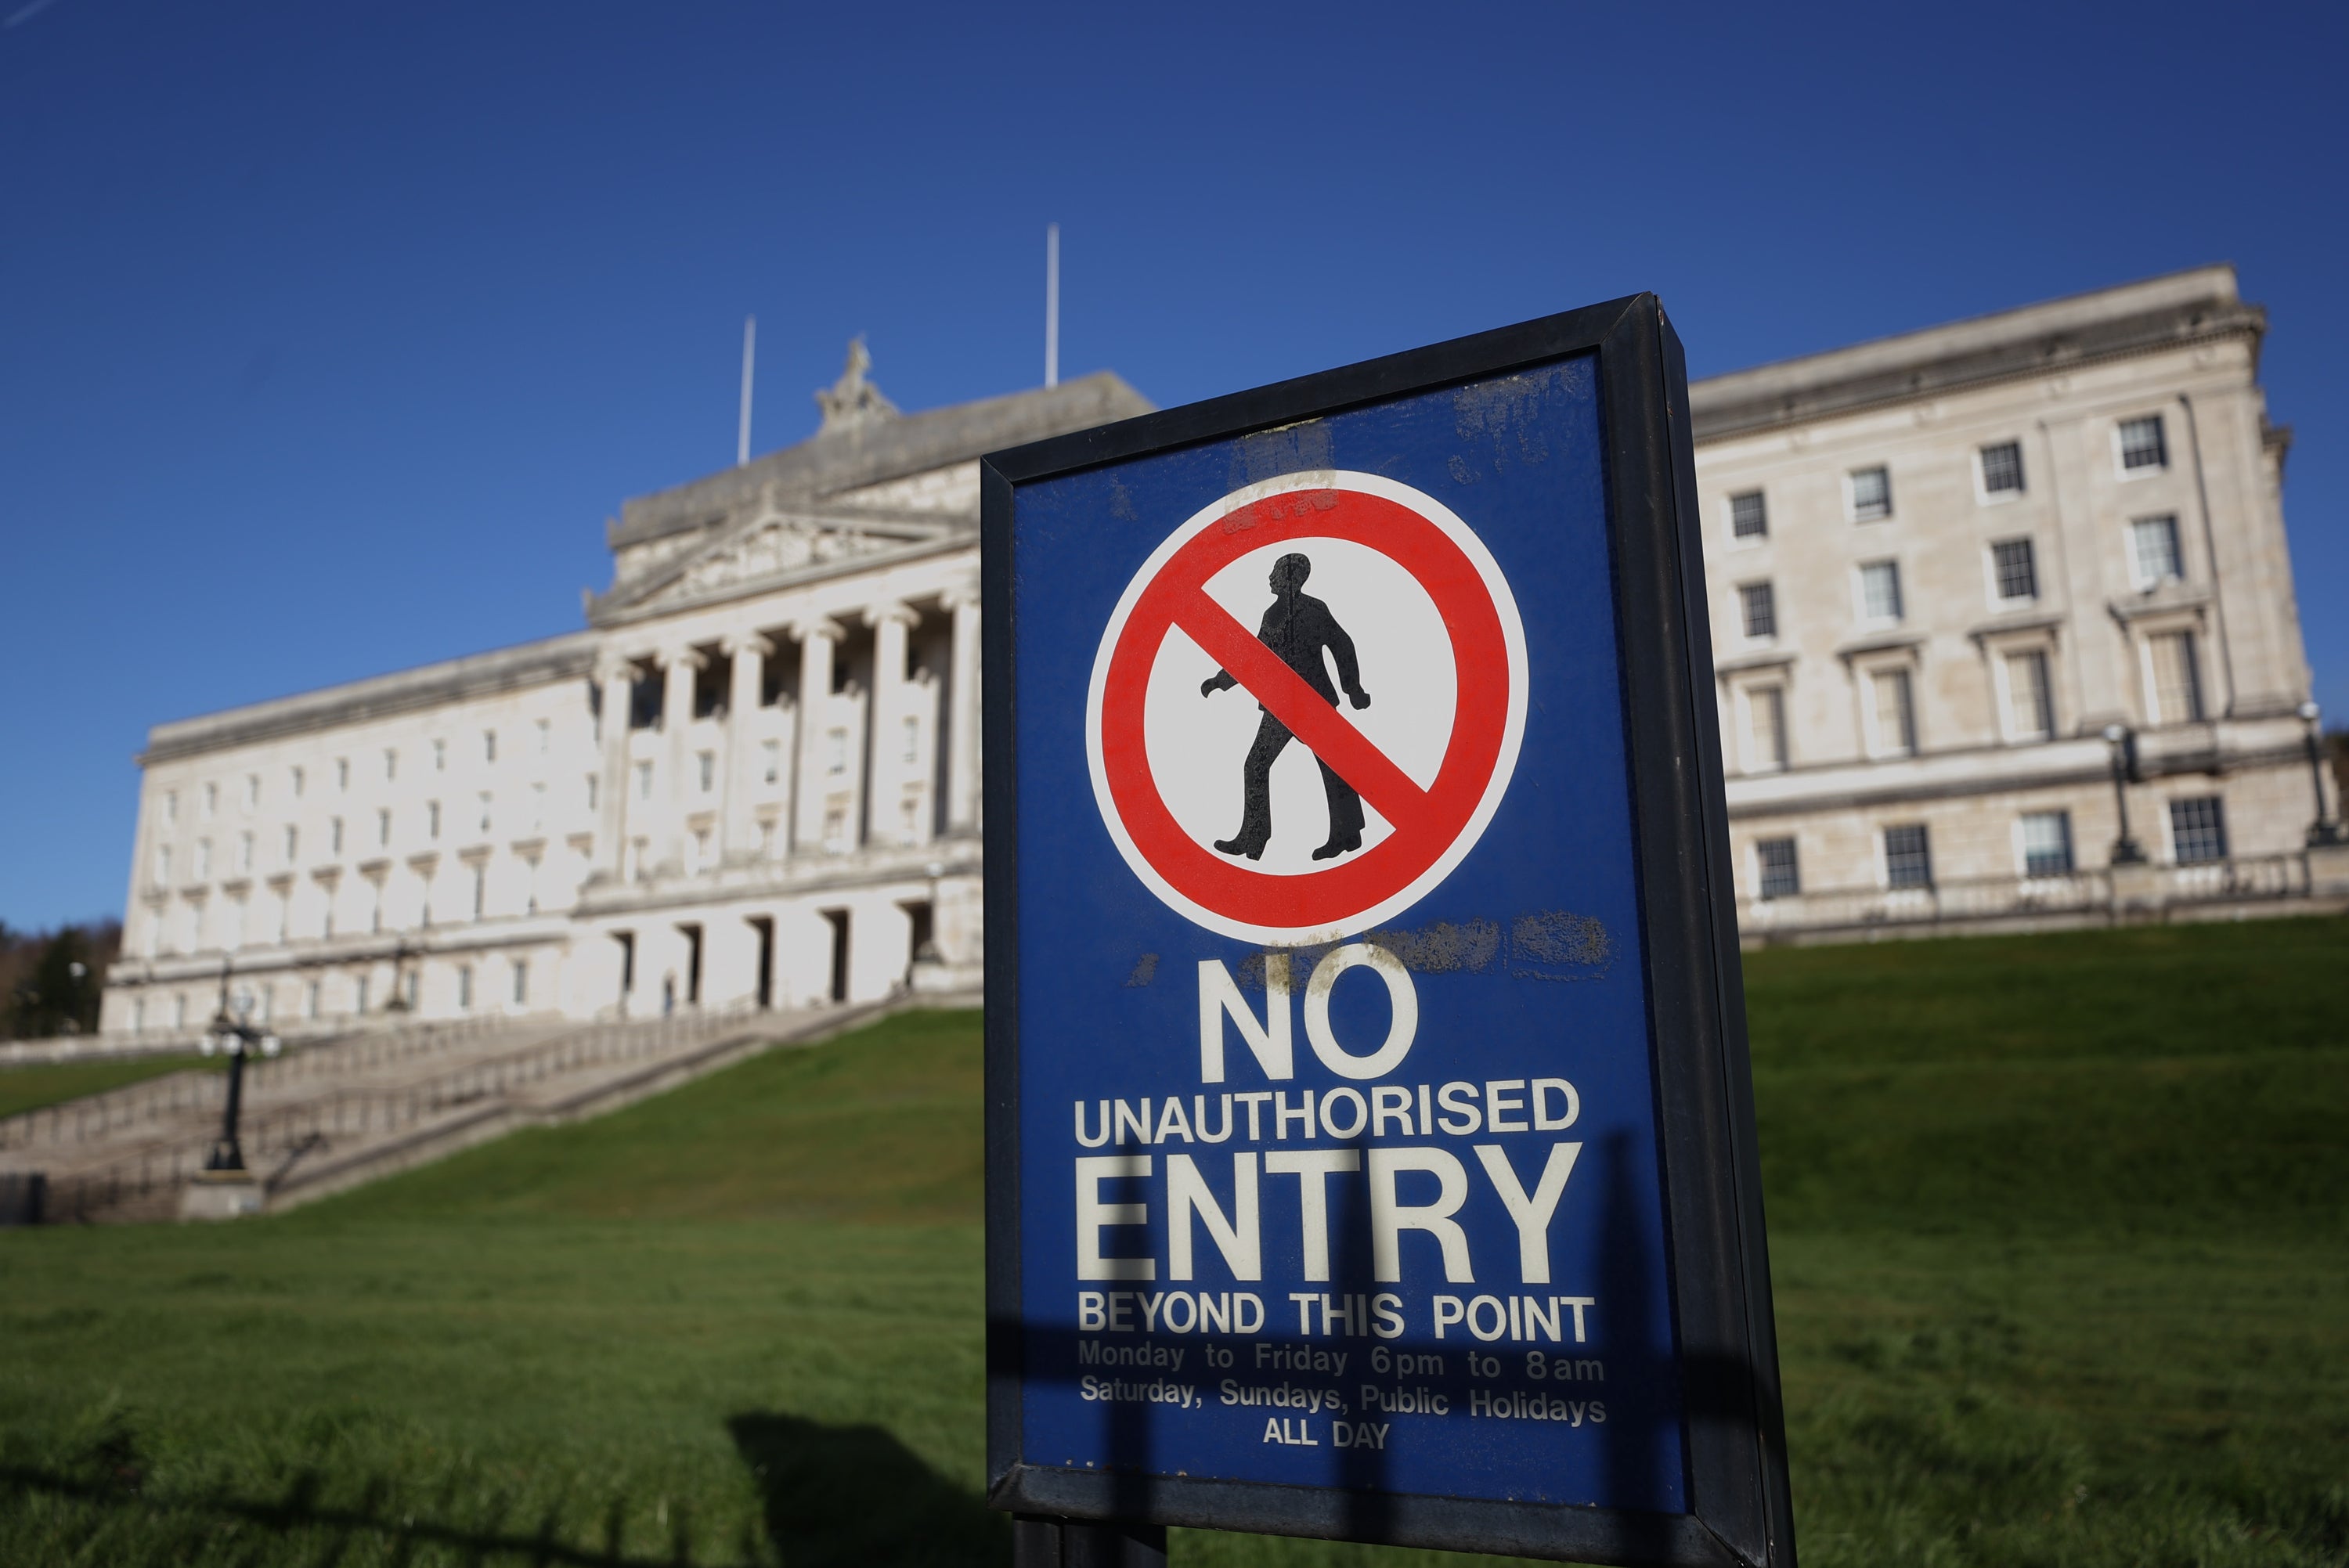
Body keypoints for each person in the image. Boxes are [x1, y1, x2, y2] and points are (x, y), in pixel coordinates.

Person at [1200, 551, 1371, 861]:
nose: (1270, 577)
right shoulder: (1271, 615)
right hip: (1279, 707)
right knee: (1255, 765)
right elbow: (1253, 656)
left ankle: (1346, 835)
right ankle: (1254, 837)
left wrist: (1353, 689)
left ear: (1292, 578)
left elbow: (1342, 644)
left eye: (1276, 571)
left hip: (1314, 705)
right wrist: (1220, 680)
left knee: (1334, 768)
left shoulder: (1315, 609)